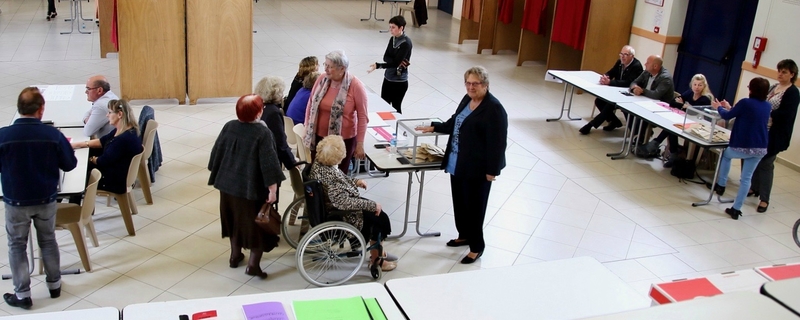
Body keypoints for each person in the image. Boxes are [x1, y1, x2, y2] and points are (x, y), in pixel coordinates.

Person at [416, 66, 508, 264]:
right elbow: (455, 122)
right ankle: (464, 235)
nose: (471, 87)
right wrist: (434, 126)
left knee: (475, 207)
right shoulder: (467, 100)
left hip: (477, 168)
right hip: (457, 163)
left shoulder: (494, 108)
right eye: (468, 83)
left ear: (486, 85)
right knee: (460, 203)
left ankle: (477, 246)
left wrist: (493, 170)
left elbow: (498, 143)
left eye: (476, 83)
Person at [0, 87, 78, 309]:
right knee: (48, 240)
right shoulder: (52, 135)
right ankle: (54, 284)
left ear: (19, 108)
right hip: (46, 198)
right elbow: (70, 164)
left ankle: (23, 294)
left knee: (17, 245)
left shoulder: (3, 135)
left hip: (15, 201)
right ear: (41, 110)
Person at [208, 94, 285, 279]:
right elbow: (269, 165)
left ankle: (235, 256)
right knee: (255, 227)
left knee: (234, 221)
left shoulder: (229, 126)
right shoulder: (263, 133)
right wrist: (272, 190)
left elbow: (216, 154)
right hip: (251, 190)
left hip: (227, 186)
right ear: (259, 112)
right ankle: (253, 266)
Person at [309, 135, 397, 271]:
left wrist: (355, 182)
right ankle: (377, 259)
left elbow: (340, 179)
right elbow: (343, 202)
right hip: (342, 213)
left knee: (377, 212)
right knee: (380, 217)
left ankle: (381, 251)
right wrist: (372, 205)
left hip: (331, 206)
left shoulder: (320, 164)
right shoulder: (332, 176)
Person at [711, 77, 772, 220]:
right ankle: (736, 209)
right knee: (746, 179)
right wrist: (730, 107)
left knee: (726, 155)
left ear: (751, 89)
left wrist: (719, 107)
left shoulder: (745, 102)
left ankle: (721, 184)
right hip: (760, 148)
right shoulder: (767, 106)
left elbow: (726, 116)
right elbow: (747, 115)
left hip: (743, 145)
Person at [304, 50, 369, 174]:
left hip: (342, 142)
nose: (326, 69)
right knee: (317, 174)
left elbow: (363, 117)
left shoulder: (356, 86)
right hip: (318, 137)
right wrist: (307, 126)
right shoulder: (322, 79)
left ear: (342, 68)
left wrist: (360, 143)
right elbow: (311, 104)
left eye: (330, 67)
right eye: (325, 65)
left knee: (337, 176)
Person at [750, 59, 800, 212]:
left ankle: (764, 199)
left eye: (784, 72)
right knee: (755, 159)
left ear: (792, 74)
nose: (780, 74)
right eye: (779, 71)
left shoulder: (792, 92)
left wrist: (768, 112)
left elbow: (787, 114)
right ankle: (754, 187)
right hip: (762, 130)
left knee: (766, 163)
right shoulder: (773, 87)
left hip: (775, 134)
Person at [71, 99, 143, 194]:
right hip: (117, 170)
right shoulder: (125, 129)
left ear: (120, 114)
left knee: (78, 177)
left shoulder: (122, 140)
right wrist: (77, 145)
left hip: (113, 181)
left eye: (109, 112)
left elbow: (102, 161)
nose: (107, 115)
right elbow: (102, 141)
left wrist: (91, 159)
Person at [640, 74, 714, 167]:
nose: (697, 87)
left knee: (672, 128)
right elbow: (672, 102)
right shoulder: (690, 93)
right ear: (692, 84)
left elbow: (695, 113)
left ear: (704, 86)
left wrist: (686, 107)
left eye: (700, 85)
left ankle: (657, 145)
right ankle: (671, 154)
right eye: (695, 84)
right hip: (685, 121)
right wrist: (684, 106)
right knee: (672, 128)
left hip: (698, 126)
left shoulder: (705, 99)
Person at [579, 45, 643, 134]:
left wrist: (610, 82)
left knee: (609, 105)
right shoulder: (619, 62)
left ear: (632, 56)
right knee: (599, 101)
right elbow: (612, 71)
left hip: (627, 94)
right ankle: (615, 122)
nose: (622, 56)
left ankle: (591, 125)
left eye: (625, 54)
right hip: (615, 91)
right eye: (621, 54)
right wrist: (605, 77)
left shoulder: (637, 66)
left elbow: (628, 83)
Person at [368, 16, 413, 114]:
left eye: (393, 27)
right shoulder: (392, 39)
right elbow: (386, 57)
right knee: (384, 105)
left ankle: (397, 127)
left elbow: (395, 63)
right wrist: (393, 62)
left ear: (401, 28)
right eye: (390, 27)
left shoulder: (406, 43)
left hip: (399, 81)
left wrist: (379, 65)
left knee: (396, 107)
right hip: (388, 77)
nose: (390, 30)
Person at [254, 76, 297, 169]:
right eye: (281, 92)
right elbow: (280, 142)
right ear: (275, 93)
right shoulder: (273, 112)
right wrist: (292, 163)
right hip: (268, 161)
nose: (282, 95)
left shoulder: (258, 106)